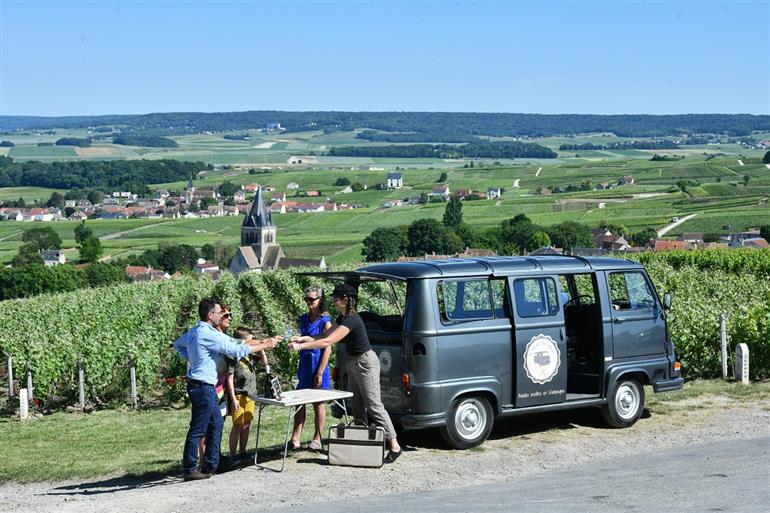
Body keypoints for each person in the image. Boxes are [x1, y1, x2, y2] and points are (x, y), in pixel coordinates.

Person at [289, 283, 402, 464]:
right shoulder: (342, 317)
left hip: (366, 363)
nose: (333, 301)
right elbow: (324, 335)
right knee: (356, 405)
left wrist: (301, 346)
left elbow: (328, 341)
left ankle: (394, 445)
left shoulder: (351, 319)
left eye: (336, 298)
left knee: (374, 405)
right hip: (353, 362)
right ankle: (362, 443)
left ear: (346, 300)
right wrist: (303, 338)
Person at [174, 298, 280, 481]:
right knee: (199, 428)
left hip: (203, 385)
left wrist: (263, 341)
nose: (222, 315)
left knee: (216, 423)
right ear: (210, 315)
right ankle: (190, 468)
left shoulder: (196, 331)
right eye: (219, 313)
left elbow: (180, 345)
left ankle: (213, 463)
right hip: (202, 386)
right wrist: (265, 346)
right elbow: (235, 350)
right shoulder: (207, 334)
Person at [289, 285, 332, 451]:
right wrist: (297, 341)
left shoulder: (325, 321)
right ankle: (296, 437)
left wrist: (320, 371)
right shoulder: (304, 318)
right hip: (305, 364)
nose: (308, 302)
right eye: (306, 299)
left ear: (320, 300)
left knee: (317, 403)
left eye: (312, 299)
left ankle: (317, 438)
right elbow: (306, 339)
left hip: (318, 364)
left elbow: (328, 346)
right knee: (299, 402)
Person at [198, 305, 235, 469]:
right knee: (206, 425)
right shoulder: (211, 337)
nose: (229, 318)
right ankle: (204, 461)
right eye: (225, 315)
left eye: (229, 315)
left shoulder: (221, 337)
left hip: (221, 386)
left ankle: (215, 456)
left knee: (217, 423)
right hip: (210, 386)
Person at [226, 326, 268, 466]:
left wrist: (261, 348)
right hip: (238, 394)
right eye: (251, 340)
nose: (253, 342)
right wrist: (232, 398)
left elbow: (264, 362)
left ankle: (243, 452)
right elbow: (229, 378)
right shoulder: (234, 355)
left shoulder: (250, 354)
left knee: (246, 424)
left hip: (251, 394)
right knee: (237, 425)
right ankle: (232, 455)